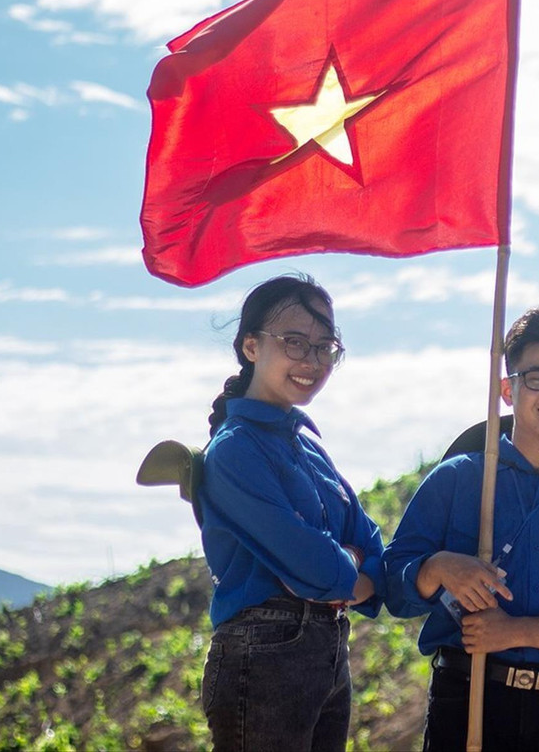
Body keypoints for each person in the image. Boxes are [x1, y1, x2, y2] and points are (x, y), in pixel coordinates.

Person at [383, 299, 539, 752]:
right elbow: (392, 585)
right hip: (464, 697)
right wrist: (439, 567)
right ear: (508, 389)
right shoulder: (457, 479)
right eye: (538, 378)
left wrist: (512, 632)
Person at [196, 274, 386, 752]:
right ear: (251, 346)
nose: (312, 361)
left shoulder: (310, 446)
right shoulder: (235, 450)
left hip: (329, 650)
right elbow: (312, 566)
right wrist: (351, 572)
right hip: (263, 656)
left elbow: (370, 541)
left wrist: (348, 569)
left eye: (325, 347)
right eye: (295, 342)